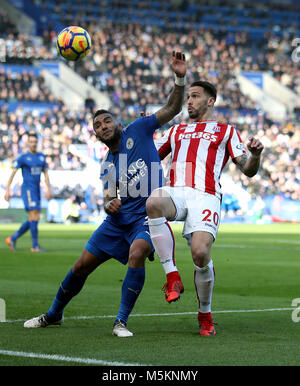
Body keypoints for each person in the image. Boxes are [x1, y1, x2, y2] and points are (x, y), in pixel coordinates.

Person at [23, 51, 187, 337]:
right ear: (96, 136)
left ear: (118, 123)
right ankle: (53, 314)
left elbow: (173, 107)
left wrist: (179, 77)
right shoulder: (107, 165)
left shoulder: (140, 128)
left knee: (137, 252)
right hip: (117, 223)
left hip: (146, 219)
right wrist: (108, 204)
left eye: (107, 120)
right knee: (80, 267)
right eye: (98, 126)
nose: (103, 126)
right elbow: (108, 197)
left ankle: (120, 321)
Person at [146, 80, 264, 336]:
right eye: (188, 97)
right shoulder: (176, 131)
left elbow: (248, 169)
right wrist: (142, 132)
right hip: (177, 191)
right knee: (153, 201)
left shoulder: (226, 131)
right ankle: (172, 276)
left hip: (206, 195)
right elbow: (149, 156)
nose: (189, 101)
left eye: (195, 96)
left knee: (200, 254)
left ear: (210, 101)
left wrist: (255, 155)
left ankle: (205, 314)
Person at [5, 132, 51, 252]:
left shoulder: (41, 157)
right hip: (28, 190)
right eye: (31, 141)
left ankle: (12, 238)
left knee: (33, 218)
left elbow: (46, 174)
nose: (33, 144)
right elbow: (13, 173)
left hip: (36, 190)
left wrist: (48, 189)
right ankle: (35, 246)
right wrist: (8, 189)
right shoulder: (23, 158)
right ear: (27, 143)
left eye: (35, 141)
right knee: (34, 215)